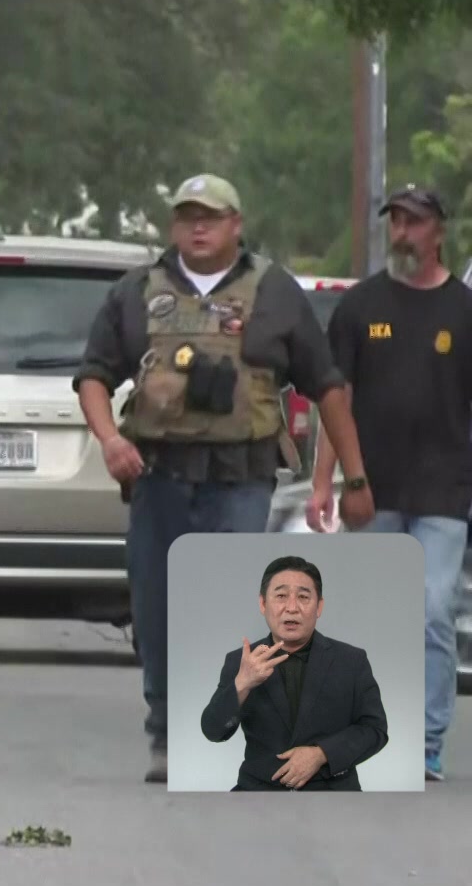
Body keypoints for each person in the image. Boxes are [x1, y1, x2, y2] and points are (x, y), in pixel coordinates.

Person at [73, 172, 371, 784]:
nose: (198, 226)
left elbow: (329, 387)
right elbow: (94, 375)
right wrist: (109, 439)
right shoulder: (136, 292)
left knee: (236, 604)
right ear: (173, 225)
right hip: (159, 477)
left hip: (241, 478)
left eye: (210, 216)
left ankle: (227, 725)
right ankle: (165, 732)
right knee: (156, 605)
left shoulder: (276, 292)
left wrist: (348, 479)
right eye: (187, 216)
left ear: (236, 223)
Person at [309, 184, 472, 782]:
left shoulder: (464, 308)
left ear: (439, 231)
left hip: (445, 491)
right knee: (373, 613)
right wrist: (326, 482)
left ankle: (427, 739)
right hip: (371, 487)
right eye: (395, 221)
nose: (402, 232)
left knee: (431, 611)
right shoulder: (360, 306)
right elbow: (336, 401)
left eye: (414, 222)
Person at [199, 555, 388, 790]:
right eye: (280, 596)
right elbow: (213, 731)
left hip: (332, 792)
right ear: (262, 604)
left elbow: (375, 730)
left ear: (319, 606)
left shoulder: (351, 661)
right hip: (258, 793)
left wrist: (321, 754)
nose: (291, 607)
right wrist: (242, 685)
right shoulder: (241, 661)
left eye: (303, 597)